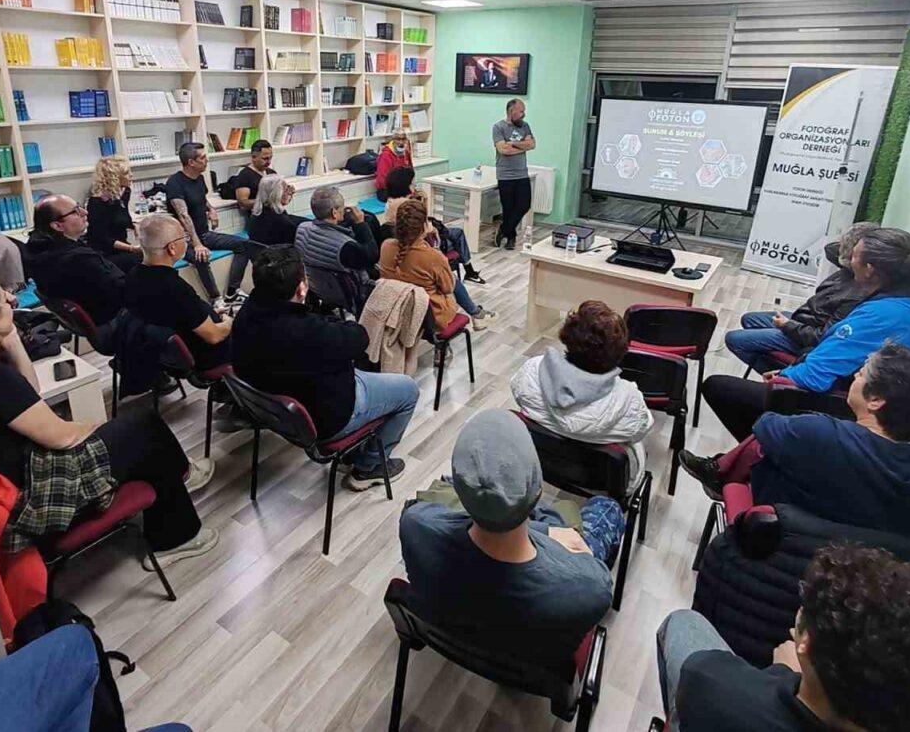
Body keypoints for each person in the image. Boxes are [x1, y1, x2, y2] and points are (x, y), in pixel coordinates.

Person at [0, 275, 217, 566]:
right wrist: (99, 429)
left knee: (135, 434)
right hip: (34, 495)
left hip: (5, 482)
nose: (12, 298)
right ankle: (177, 536)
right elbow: (62, 437)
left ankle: (180, 475)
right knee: (144, 427)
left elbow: (29, 394)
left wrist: (12, 339)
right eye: (2, 300)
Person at [656, 544, 910, 731]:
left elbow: (700, 673)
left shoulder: (713, 688)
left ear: (805, 644)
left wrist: (783, 674)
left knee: (683, 623)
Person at [399, 410, 623, 670]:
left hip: (460, 626)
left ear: (458, 491)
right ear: (538, 491)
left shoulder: (414, 523)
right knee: (607, 508)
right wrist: (548, 532)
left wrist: (544, 531)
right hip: (534, 661)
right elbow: (591, 579)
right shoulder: (593, 588)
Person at [702, 227, 910, 441]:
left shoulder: (882, 316)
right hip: (872, 398)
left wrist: (784, 375)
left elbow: (814, 377)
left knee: (718, 386)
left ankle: (763, 449)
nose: (848, 260)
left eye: (854, 256)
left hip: (843, 403)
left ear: (869, 269)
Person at [680, 343, 910, 535]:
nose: (856, 375)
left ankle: (720, 473)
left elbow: (766, 424)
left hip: (781, 539)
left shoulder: (818, 433)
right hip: (861, 565)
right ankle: (719, 471)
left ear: (875, 400)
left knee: (764, 446)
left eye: (862, 374)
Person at [231, 245, 417, 490]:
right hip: (329, 418)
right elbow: (360, 337)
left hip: (284, 413)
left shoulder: (245, 316)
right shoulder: (309, 332)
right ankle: (369, 466)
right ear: (301, 288)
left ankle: (353, 453)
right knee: (408, 390)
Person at [511, 301, 652, 485]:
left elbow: (516, 391)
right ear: (621, 352)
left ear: (567, 337)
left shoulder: (533, 370)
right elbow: (641, 429)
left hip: (542, 463)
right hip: (602, 481)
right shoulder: (629, 398)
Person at [727, 221, 877, 373]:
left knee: (734, 339)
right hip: (805, 320)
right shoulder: (851, 270)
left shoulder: (856, 295)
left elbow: (823, 337)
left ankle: (783, 376)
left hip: (807, 338)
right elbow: (830, 249)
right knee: (749, 319)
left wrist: (787, 325)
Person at [124, 214, 232, 373]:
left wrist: (209, 314)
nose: (187, 241)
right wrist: (229, 323)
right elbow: (213, 336)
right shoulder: (175, 289)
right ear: (172, 248)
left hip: (163, 355)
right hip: (204, 357)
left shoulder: (132, 276)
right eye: (184, 237)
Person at [379, 200, 495, 332]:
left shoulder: (386, 246)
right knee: (451, 279)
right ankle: (476, 314)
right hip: (429, 317)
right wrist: (435, 245)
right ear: (424, 226)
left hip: (395, 310)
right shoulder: (433, 256)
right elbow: (448, 288)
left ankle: (476, 313)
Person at [166, 141, 252, 307]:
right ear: (191, 162)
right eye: (203, 157)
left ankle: (232, 291)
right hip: (184, 240)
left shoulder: (199, 178)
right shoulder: (175, 183)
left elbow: (202, 199)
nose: (207, 160)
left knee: (244, 244)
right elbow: (183, 215)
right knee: (201, 257)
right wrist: (197, 244)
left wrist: (211, 209)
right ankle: (216, 299)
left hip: (204, 234)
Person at [23, 194, 126, 326]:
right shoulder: (79, 259)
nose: (85, 212)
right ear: (57, 226)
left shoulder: (35, 250)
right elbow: (124, 290)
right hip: (113, 322)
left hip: (86, 315)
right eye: (75, 211)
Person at [385, 167, 485, 284]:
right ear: (404, 185)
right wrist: (424, 202)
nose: (415, 186)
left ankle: (468, 272)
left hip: (414, 241)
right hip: (424, 243)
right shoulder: (407, 205)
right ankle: (466, 272)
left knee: (456, 234)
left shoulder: (390, 203)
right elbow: (424, 226)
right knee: (458, 235)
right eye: (412, 183)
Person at [294, 185, 381, 302]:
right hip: (349, 294)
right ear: (334, 212)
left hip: (317, 288)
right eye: (342, 207)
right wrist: (360, 224)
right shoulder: (344, 246)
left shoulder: (302, 228)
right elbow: (372, 256)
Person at [85, 155, 142, 273]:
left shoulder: (124, 193)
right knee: (142, 260)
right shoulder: (97, 203)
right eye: (126, 173)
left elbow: (122, 218)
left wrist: (134, 225)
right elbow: (102, 238)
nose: (131, 175)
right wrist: (131, 248)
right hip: (104, 253)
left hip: (122, 248)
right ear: (114, 178)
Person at [492, 98, 535, 250]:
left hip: (522, 174)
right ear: (512, 112)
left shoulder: (525, 126)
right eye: (521, 111)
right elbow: (503, 149)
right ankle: (511, 238)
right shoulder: (498, 127)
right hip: (505, 175)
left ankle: (503, 229)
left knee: (524, 205)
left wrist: (512, 143)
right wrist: (522, 147)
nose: (524, 114)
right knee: (508, 208)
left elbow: (532, 144)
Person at [246, 173, 307, 246]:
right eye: (286, 189)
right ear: (277, 195)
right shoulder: (284, 223)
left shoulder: (255, 215)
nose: (289, 192)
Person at [232, 139, 275, 213]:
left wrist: (286, 194)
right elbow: (243, 204)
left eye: (270, 158)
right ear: (254, 157)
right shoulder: (245, 175)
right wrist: (266, 201)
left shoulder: (272, 173)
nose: (269, 162)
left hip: (275, 214)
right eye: (265, 158)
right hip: (259, 216)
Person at [374, 128, 413, 201]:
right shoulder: (386, 155)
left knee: (417, 197)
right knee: (404, 202)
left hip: (402, 188)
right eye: (398, 139)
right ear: (393, 139)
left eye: (403, 139)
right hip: (387, 190)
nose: (401, 142)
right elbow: (382, 180)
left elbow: (410, 171)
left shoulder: (406, 152)